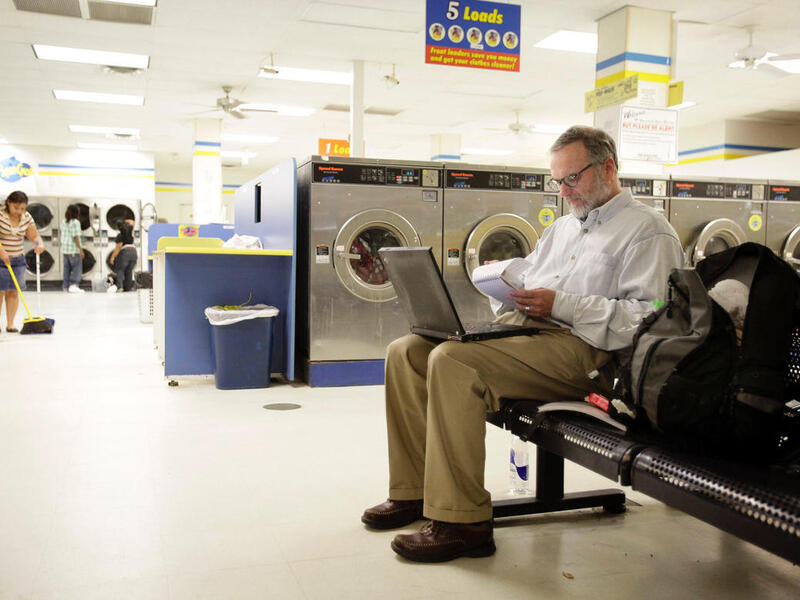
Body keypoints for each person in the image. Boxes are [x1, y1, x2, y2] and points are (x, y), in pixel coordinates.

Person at [361, 126, 685, 562]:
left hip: (588, 352)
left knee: (455, 362)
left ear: (608, 167)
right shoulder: (565, 229)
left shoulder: (648, 231)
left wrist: (561, 303)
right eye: (558, 181)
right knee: (406, 352)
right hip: (533, 334)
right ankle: (412, 493)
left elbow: (648, 317)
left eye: (573, 178)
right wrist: (507, 281)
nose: (565, 190)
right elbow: (531, 273)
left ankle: (464, 521)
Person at [0, 191, 44, 332]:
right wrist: (1, 252)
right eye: (16, 208)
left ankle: (10, 324)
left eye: (22, 208)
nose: (19, 211)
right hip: (1, 259)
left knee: (14, 291)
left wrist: (39, 244)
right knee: (0, 291)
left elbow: (34, 234)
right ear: (8, 204)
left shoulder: (26, 217)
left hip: (18, 259)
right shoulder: (1, 215)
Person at [61, 204, 85, 293]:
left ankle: (65, 286)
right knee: (76, 268)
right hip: (73, 250)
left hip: (65, 249)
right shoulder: (75, 222)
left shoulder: (64, 221)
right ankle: (74, 285)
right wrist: (81, 249)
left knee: (66, 269)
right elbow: (76, 237)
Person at [108, 218, 137, 292]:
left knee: (120, 270)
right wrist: (125, 221)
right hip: (134, 252)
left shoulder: (120, 235)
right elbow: (132, 222)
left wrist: (112, 257)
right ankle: (128, 288)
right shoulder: (129, 230)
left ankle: (120, 287)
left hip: (125, 253)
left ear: (117, 227)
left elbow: (118, 247)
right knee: (129, 270)